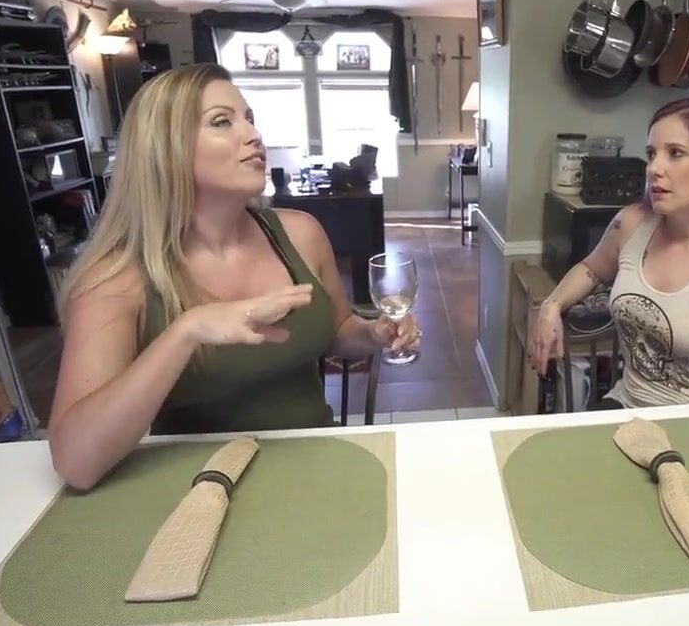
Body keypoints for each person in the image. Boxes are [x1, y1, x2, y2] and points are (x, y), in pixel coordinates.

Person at [48, 64, 419, 490]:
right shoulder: (115, 279)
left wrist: (372, 333)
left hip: (315, 469)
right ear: (165, 148)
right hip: (198, 487)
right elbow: (76, 462)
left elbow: (338, 329)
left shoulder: (301, 234)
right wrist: (187, 331)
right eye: (222, 122)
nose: (254, 134)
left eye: (250, 118)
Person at [530, 99, 689, 408]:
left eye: (675, 153)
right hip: (624, 405)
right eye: (651, 154)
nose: (653, 169)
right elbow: (591, 269)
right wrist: (551, 305)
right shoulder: (631, 224)